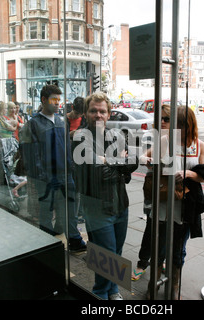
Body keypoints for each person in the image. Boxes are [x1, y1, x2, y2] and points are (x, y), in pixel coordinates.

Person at [141, 106, 204, 300]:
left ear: (190, 124)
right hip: (164, 203)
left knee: (179, 250)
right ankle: (153, 285)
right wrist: (150, 162)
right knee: (159, 248)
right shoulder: (165, 142)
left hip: (186, 205)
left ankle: (174, 285)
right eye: (175, 124)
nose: (178, 128)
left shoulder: (199, 145)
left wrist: (190, 174)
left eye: (182, 124)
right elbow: (144, 157)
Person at [72, 92, 138, 300]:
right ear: (86, 113)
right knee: (105, 254)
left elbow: (133, 163)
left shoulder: (117, 136)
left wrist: (107, 161)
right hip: (96, 206)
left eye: (102, 111)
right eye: (93, 111)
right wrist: (118, 162)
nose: (98, 115)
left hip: (120, 204)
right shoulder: (79, 137)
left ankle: (113, 290)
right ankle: (99, 293)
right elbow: (95, 172)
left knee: (116, 251)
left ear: (109, 114)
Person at [21, 84, 86, 253]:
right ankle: (47, 242)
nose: (58, 103)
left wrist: (71, 168)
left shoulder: (61, 121)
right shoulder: (33, 124)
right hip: (47, 176)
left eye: (59, 100)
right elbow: (31, 153)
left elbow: (66, 148)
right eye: (54, 100)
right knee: (46, 211)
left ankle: (74, 240)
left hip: (65, 174)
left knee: (70, 208)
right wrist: (41, 176)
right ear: (43, 100)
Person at [132, 104, 172, 282]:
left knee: (167, 230)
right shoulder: (155, 138)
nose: (162, 122)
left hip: (171, 191)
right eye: (160, 119)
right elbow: (142, 157)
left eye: (166, 119)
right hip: (154, 189)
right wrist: (146, 159)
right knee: (151, 226)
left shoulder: (177, 139)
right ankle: (142, 262)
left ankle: (161, 261)